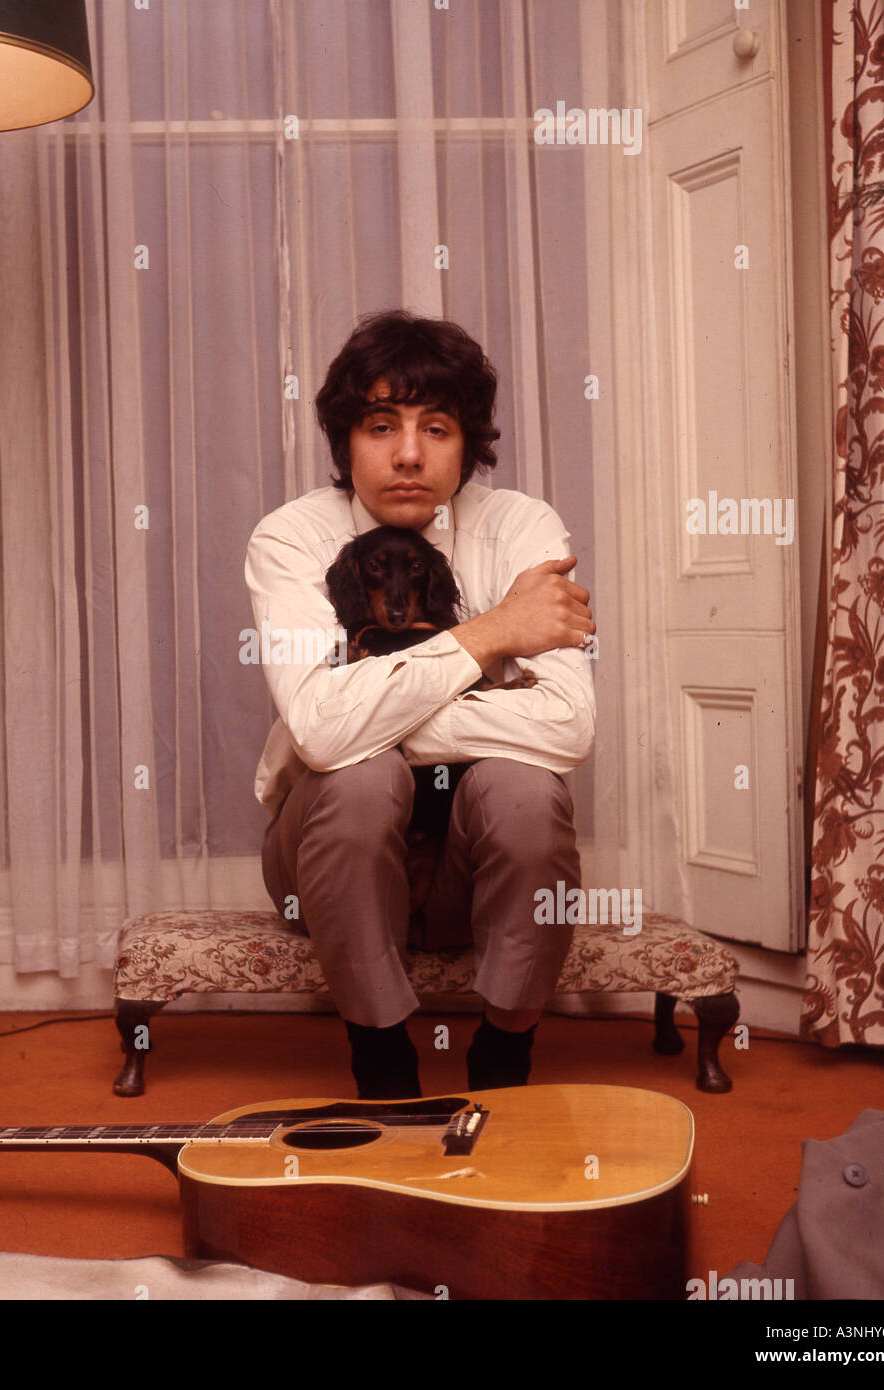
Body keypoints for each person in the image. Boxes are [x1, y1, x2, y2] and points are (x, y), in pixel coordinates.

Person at [244, 310, 596, 1098]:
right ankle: (381, 1057)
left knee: (525, 788)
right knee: (355, 779)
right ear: (345, 441)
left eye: (435, 428)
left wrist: (367, 710)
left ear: (468, 443)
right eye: (380, 425)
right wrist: (492, 633)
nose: (407, 454)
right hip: (323, 863)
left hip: (462, 881)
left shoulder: (521, 527)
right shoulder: (291, 537)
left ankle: (506, 1050)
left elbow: (568, 725)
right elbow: (320, 738)